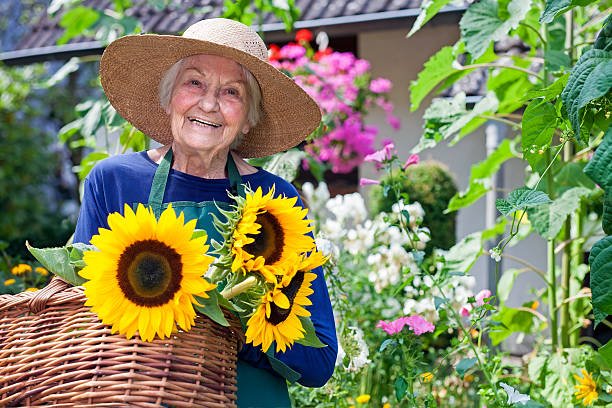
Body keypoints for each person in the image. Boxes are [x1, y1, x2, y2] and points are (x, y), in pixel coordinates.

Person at [73, 18, 337, 407]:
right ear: (168, 97)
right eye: (194, 82)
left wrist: (232, 323)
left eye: (232, 92)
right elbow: (77, 317)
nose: (209, 103)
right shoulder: (114, 182)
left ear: (248, 118)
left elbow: (319, 361)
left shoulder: (275, 200)